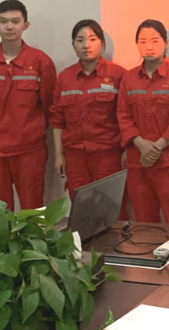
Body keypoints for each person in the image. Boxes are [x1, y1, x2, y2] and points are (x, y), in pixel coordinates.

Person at [0, 0, 56, 210]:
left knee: (33, 211)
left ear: (25, 25)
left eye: (15, 21)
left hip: (29, 150)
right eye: (3, 21)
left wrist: (28, 130)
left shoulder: (41, 62)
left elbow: (50, 106)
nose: (9, 27)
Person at [117, 19, 169, 224]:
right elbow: (123, 116)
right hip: (139, 163)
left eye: (155, 41)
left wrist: (156, 148)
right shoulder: (129, 78)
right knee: (145, 227)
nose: (149, 47)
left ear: (166, 42)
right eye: (142, 41)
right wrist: (141, 145)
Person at [50, 19, 127, 216]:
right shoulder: (64, 78)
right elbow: (57, 120)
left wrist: (126, 150)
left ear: (102, 43)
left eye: (92, 39)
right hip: (75, 156)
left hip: (108, 155)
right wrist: (59, 155)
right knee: (81, 211)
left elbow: (126, 117)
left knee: (112, 210)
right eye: (80, 40)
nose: (86, 45)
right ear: (73, 45)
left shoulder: (118, 75)